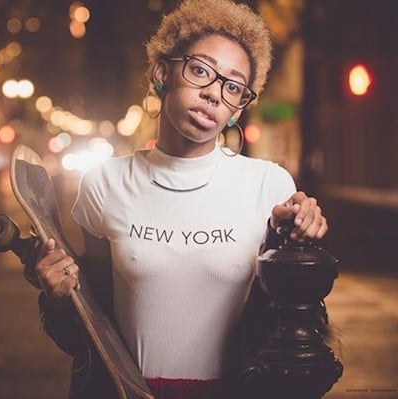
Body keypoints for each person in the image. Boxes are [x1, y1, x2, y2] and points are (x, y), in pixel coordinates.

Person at [32, 0, 328, 398]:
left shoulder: (267, 184)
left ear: (238, 109)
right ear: (161, 73)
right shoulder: (104, 183)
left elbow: (291, 322)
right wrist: (57, 297)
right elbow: (90, 331)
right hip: (127, 391)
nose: (212, 94)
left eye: (233, 86)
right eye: (201, 70)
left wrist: (298, 238)